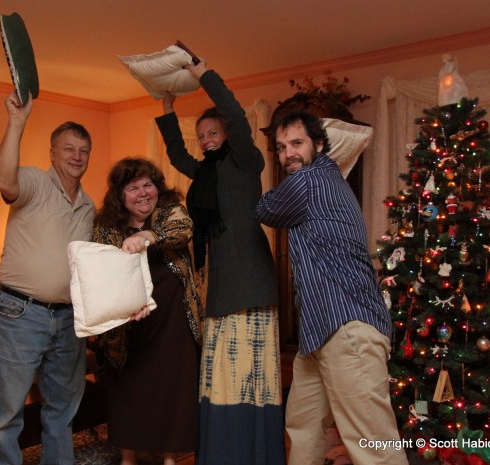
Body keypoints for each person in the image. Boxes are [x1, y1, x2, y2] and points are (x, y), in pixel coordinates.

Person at [255, 110, 409, 465]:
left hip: (348, 329)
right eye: (280, 148)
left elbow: (265, 209)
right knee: (304, 425)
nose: (288, 153)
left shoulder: (310, 179)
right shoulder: (328, 178)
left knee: (373, 446)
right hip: (320, 334)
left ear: (319, 145)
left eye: (297, 143)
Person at [154, 58, 283, 465]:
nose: (207, 139)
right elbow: (177, 156)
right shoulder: (205, 172)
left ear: (227, 131)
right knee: (222, 377)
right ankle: (224, 451)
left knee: (251, 377)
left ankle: (253, 452)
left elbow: (234, 112)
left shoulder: (246, 159)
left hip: (250, 282)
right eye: (202, 135)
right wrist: (168, 112)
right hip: (220, 284)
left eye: (213, 132)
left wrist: (203, 76)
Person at [0, 92, 95, 465]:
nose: (76, 157)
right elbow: (3, 180)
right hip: (21, 313)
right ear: (52, 154)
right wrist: (17, 122)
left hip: (68, 321)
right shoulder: (32, 182)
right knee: (6, 414)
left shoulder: (88, 205)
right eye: (68, 149)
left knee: (62, 413)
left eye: (83, 150)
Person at [92, 157, 203, 465]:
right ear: (119, 195)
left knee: (173, 392)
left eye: (148, 185)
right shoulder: (106, 229)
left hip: (173, 321)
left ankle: (170, 459)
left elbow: (183, 229)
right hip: (129, 327)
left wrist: (149, 236)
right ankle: (129, 459)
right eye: (132, 188)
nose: (142, 193)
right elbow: (103, 273)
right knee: (128, 391)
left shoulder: (170, 212)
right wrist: (125, 307)